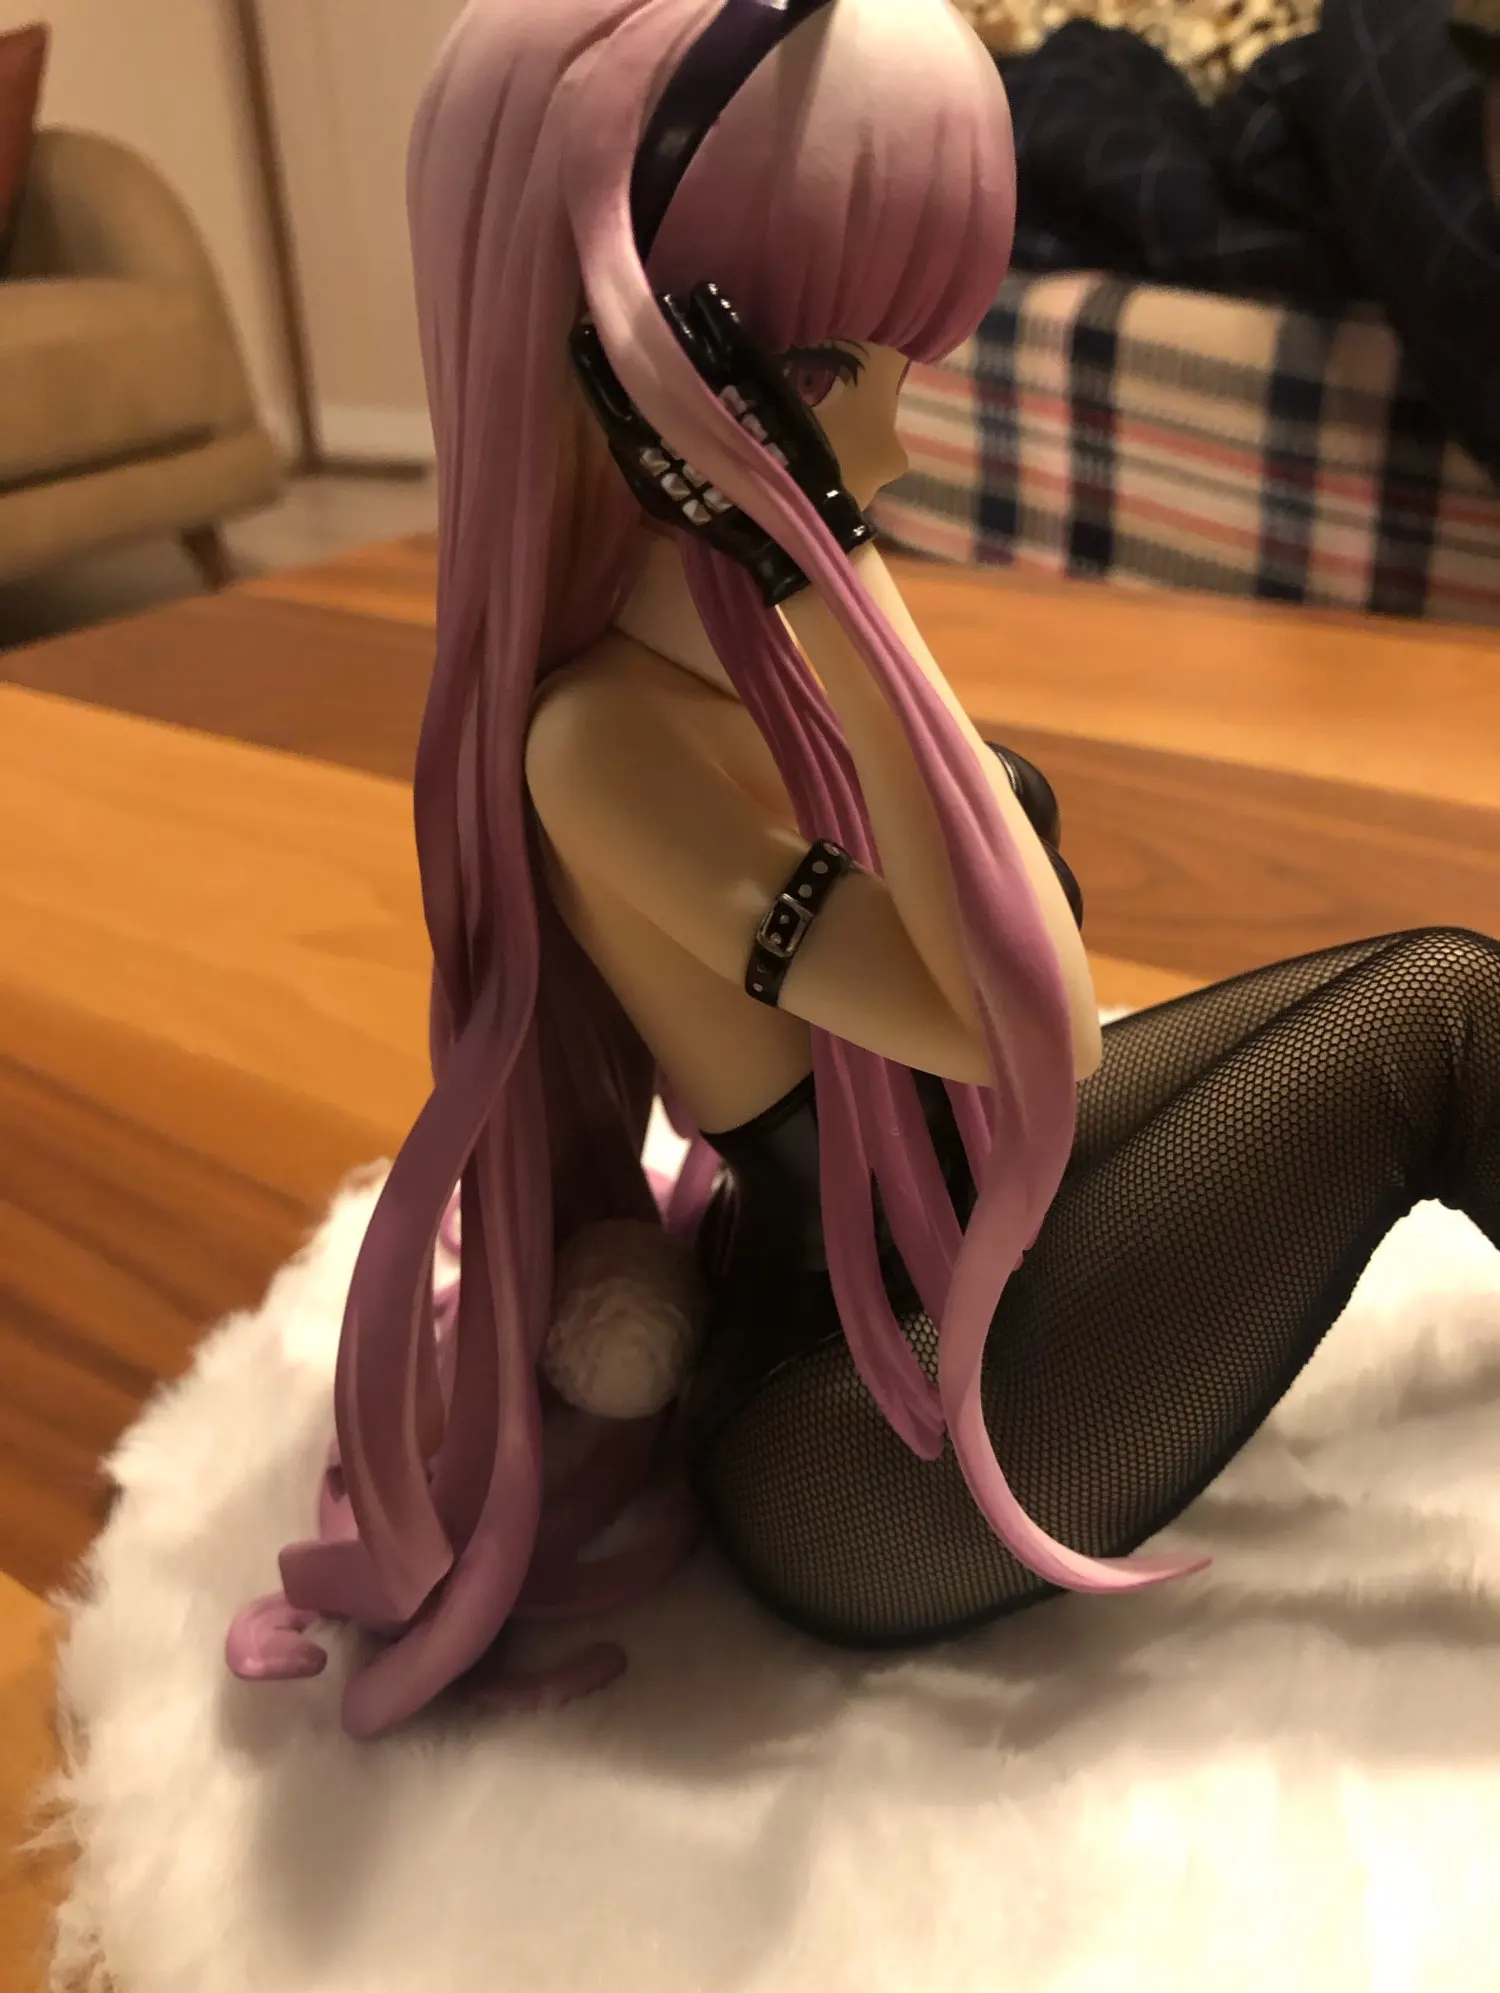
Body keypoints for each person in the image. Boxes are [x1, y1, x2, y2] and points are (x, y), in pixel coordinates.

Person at [226, 0, 1500, 1741]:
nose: (890, 451)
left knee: (1458, 1002)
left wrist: (818, 578)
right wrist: (831, 565)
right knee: (1438, 1025)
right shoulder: (594, 746)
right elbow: (1025, 1028)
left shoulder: (747, 659)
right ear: (623, 384)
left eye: (900, 378)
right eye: (826, 385)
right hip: (853, 1427)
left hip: (970, 1239)